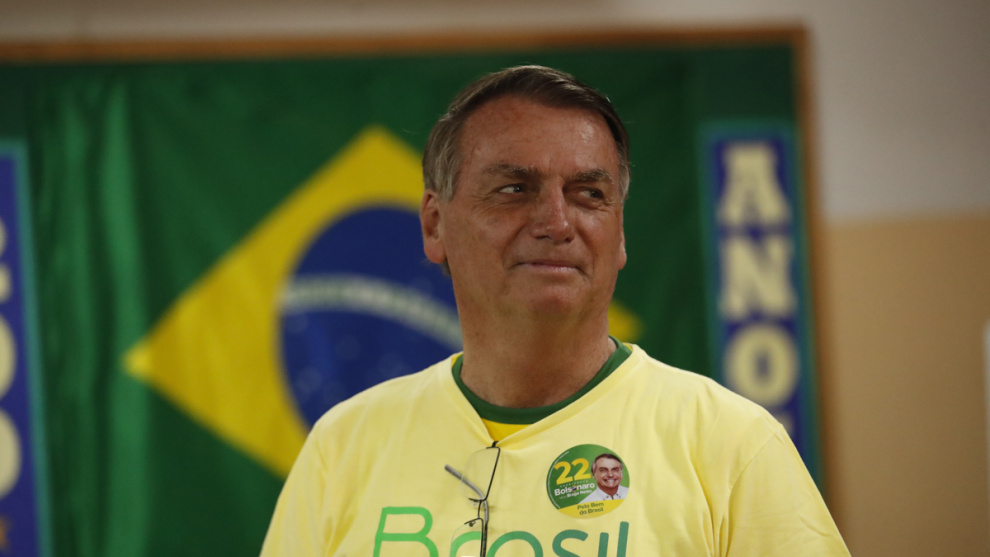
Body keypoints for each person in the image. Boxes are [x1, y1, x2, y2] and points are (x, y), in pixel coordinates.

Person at [260, 65, 850, 556]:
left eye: (589, 194)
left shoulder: (732, 444)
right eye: (514, 189)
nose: (557, 222)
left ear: (619, 234)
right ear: (435, 224)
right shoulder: (344, 446)